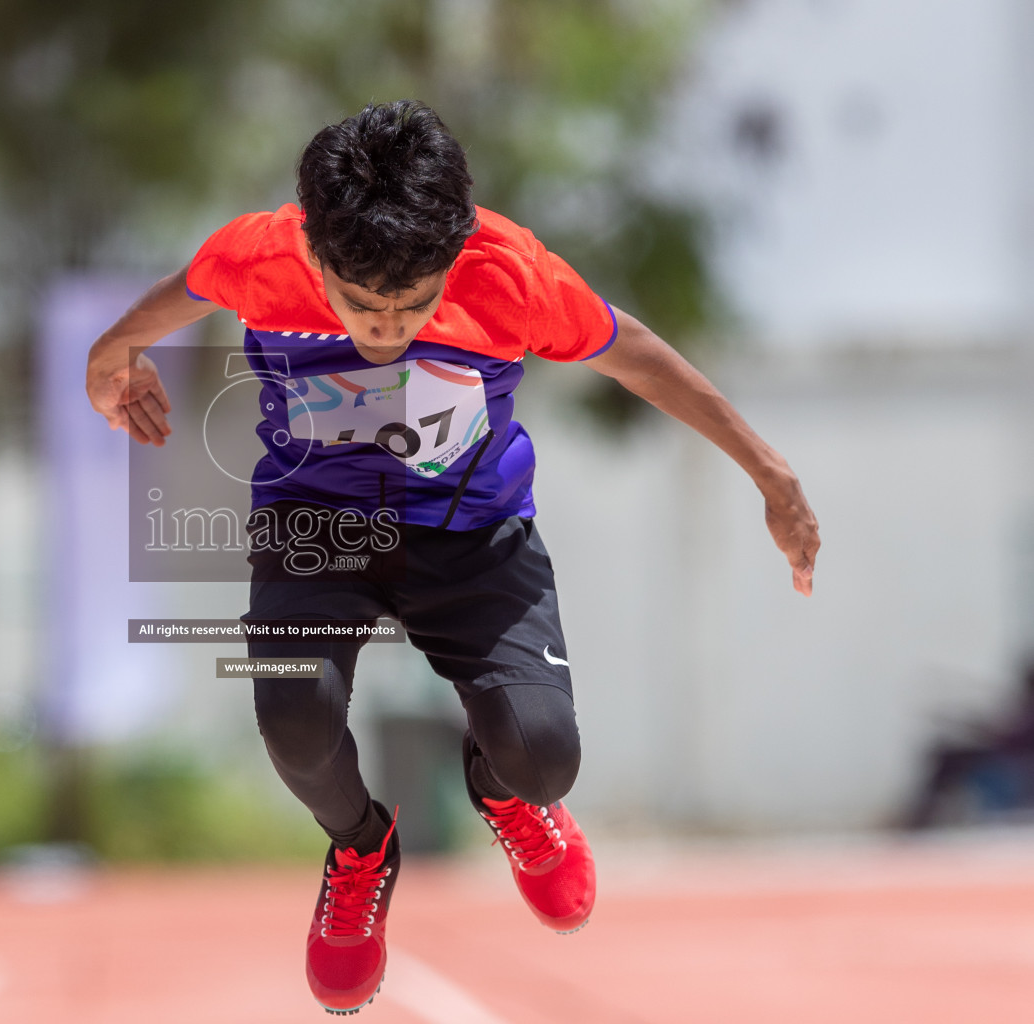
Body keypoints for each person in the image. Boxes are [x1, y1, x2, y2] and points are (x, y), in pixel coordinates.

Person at [86, 100, 820, 1015]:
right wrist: (113, 354)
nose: (387, 326)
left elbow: (633, 354)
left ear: (457, 249)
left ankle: (504, 794)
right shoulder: (260, 255)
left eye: (414, 302)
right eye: (359, 304)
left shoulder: (509, 272)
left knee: (544, 757)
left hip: (472, 532)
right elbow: (176, 294)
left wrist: (769, 471)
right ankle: (360, 849)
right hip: (316, 525)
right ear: (314, 251)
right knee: (293, 726)